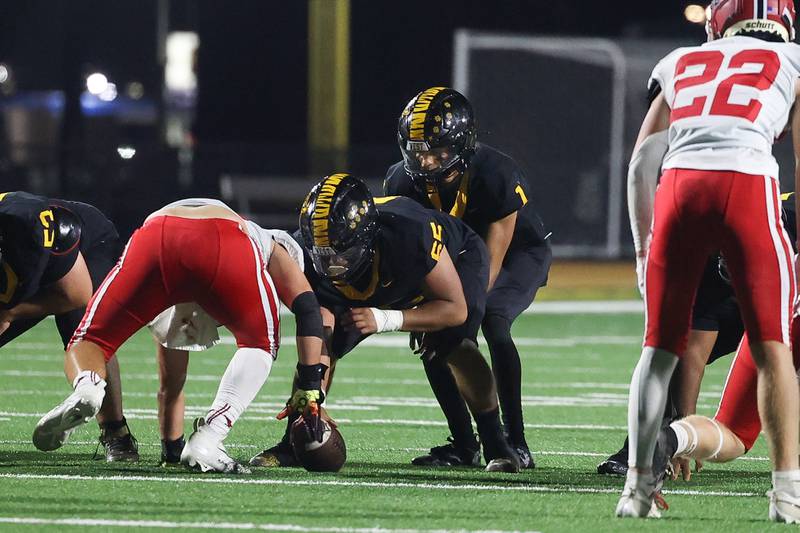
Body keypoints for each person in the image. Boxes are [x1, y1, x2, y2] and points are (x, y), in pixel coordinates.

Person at [616, 0, 800, 522]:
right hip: (746, 183)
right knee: (773, 349)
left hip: (678, 187)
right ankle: (787, 495)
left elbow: (640, 163)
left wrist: (641, 247)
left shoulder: (679, 61)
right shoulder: (792, 61)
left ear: (718, 22)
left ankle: (636, 490)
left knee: (657, 350)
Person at [31, 198, 326, 473]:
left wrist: (172, 452)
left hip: (154, 237)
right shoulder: (273, 246)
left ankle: (88, 387)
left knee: (91, 339)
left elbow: (171, 385)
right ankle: (211, 435)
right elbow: (309, 309)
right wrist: (311, 387)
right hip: (224, 237)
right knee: (262, 343)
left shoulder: (183, 306)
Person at [250, 173, 520, 472]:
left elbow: (454, 309)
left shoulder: (408, 233)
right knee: (325, 347)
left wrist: (386, 319)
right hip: (376, 279)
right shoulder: (306, 251)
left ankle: (497, 443)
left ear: (367, 235)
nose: (332, 266)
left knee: (454, 342)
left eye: (342, 253)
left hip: (452, 265)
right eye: (322, 257)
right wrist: (311, 393)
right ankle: (292, 441)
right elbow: (318, 325)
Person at [383, 87, 551, 468]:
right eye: (417, 150)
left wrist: (457, 313)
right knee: (435, 333)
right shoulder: (400, 182)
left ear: (463, 144)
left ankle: (516, 442)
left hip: (514, 255)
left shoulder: (495, 173)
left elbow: (491, 260)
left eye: (437, 151)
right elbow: (413, 251)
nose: (425, 162)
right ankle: (464, 444)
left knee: (491, 321)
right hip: (456, 258)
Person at [0, 191, 138, 462]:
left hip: (85, 249)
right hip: (27, 265)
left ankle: (115, 432)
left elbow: (75, 294)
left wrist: (10, 313)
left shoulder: (26, 223)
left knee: (86, 332)